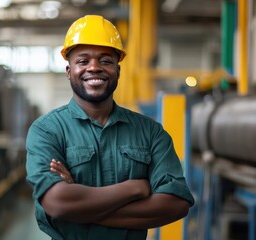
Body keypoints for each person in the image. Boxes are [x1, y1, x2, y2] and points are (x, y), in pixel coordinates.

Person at [26, 15, 194, 240]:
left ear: (118, 70)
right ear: (69, 71)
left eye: (105, 61)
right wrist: (134, 188)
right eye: (83, 61)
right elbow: (57, 202)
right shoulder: (47, 130)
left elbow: (176, 203)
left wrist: (80, 210)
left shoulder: (150, 132)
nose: (94, 67)